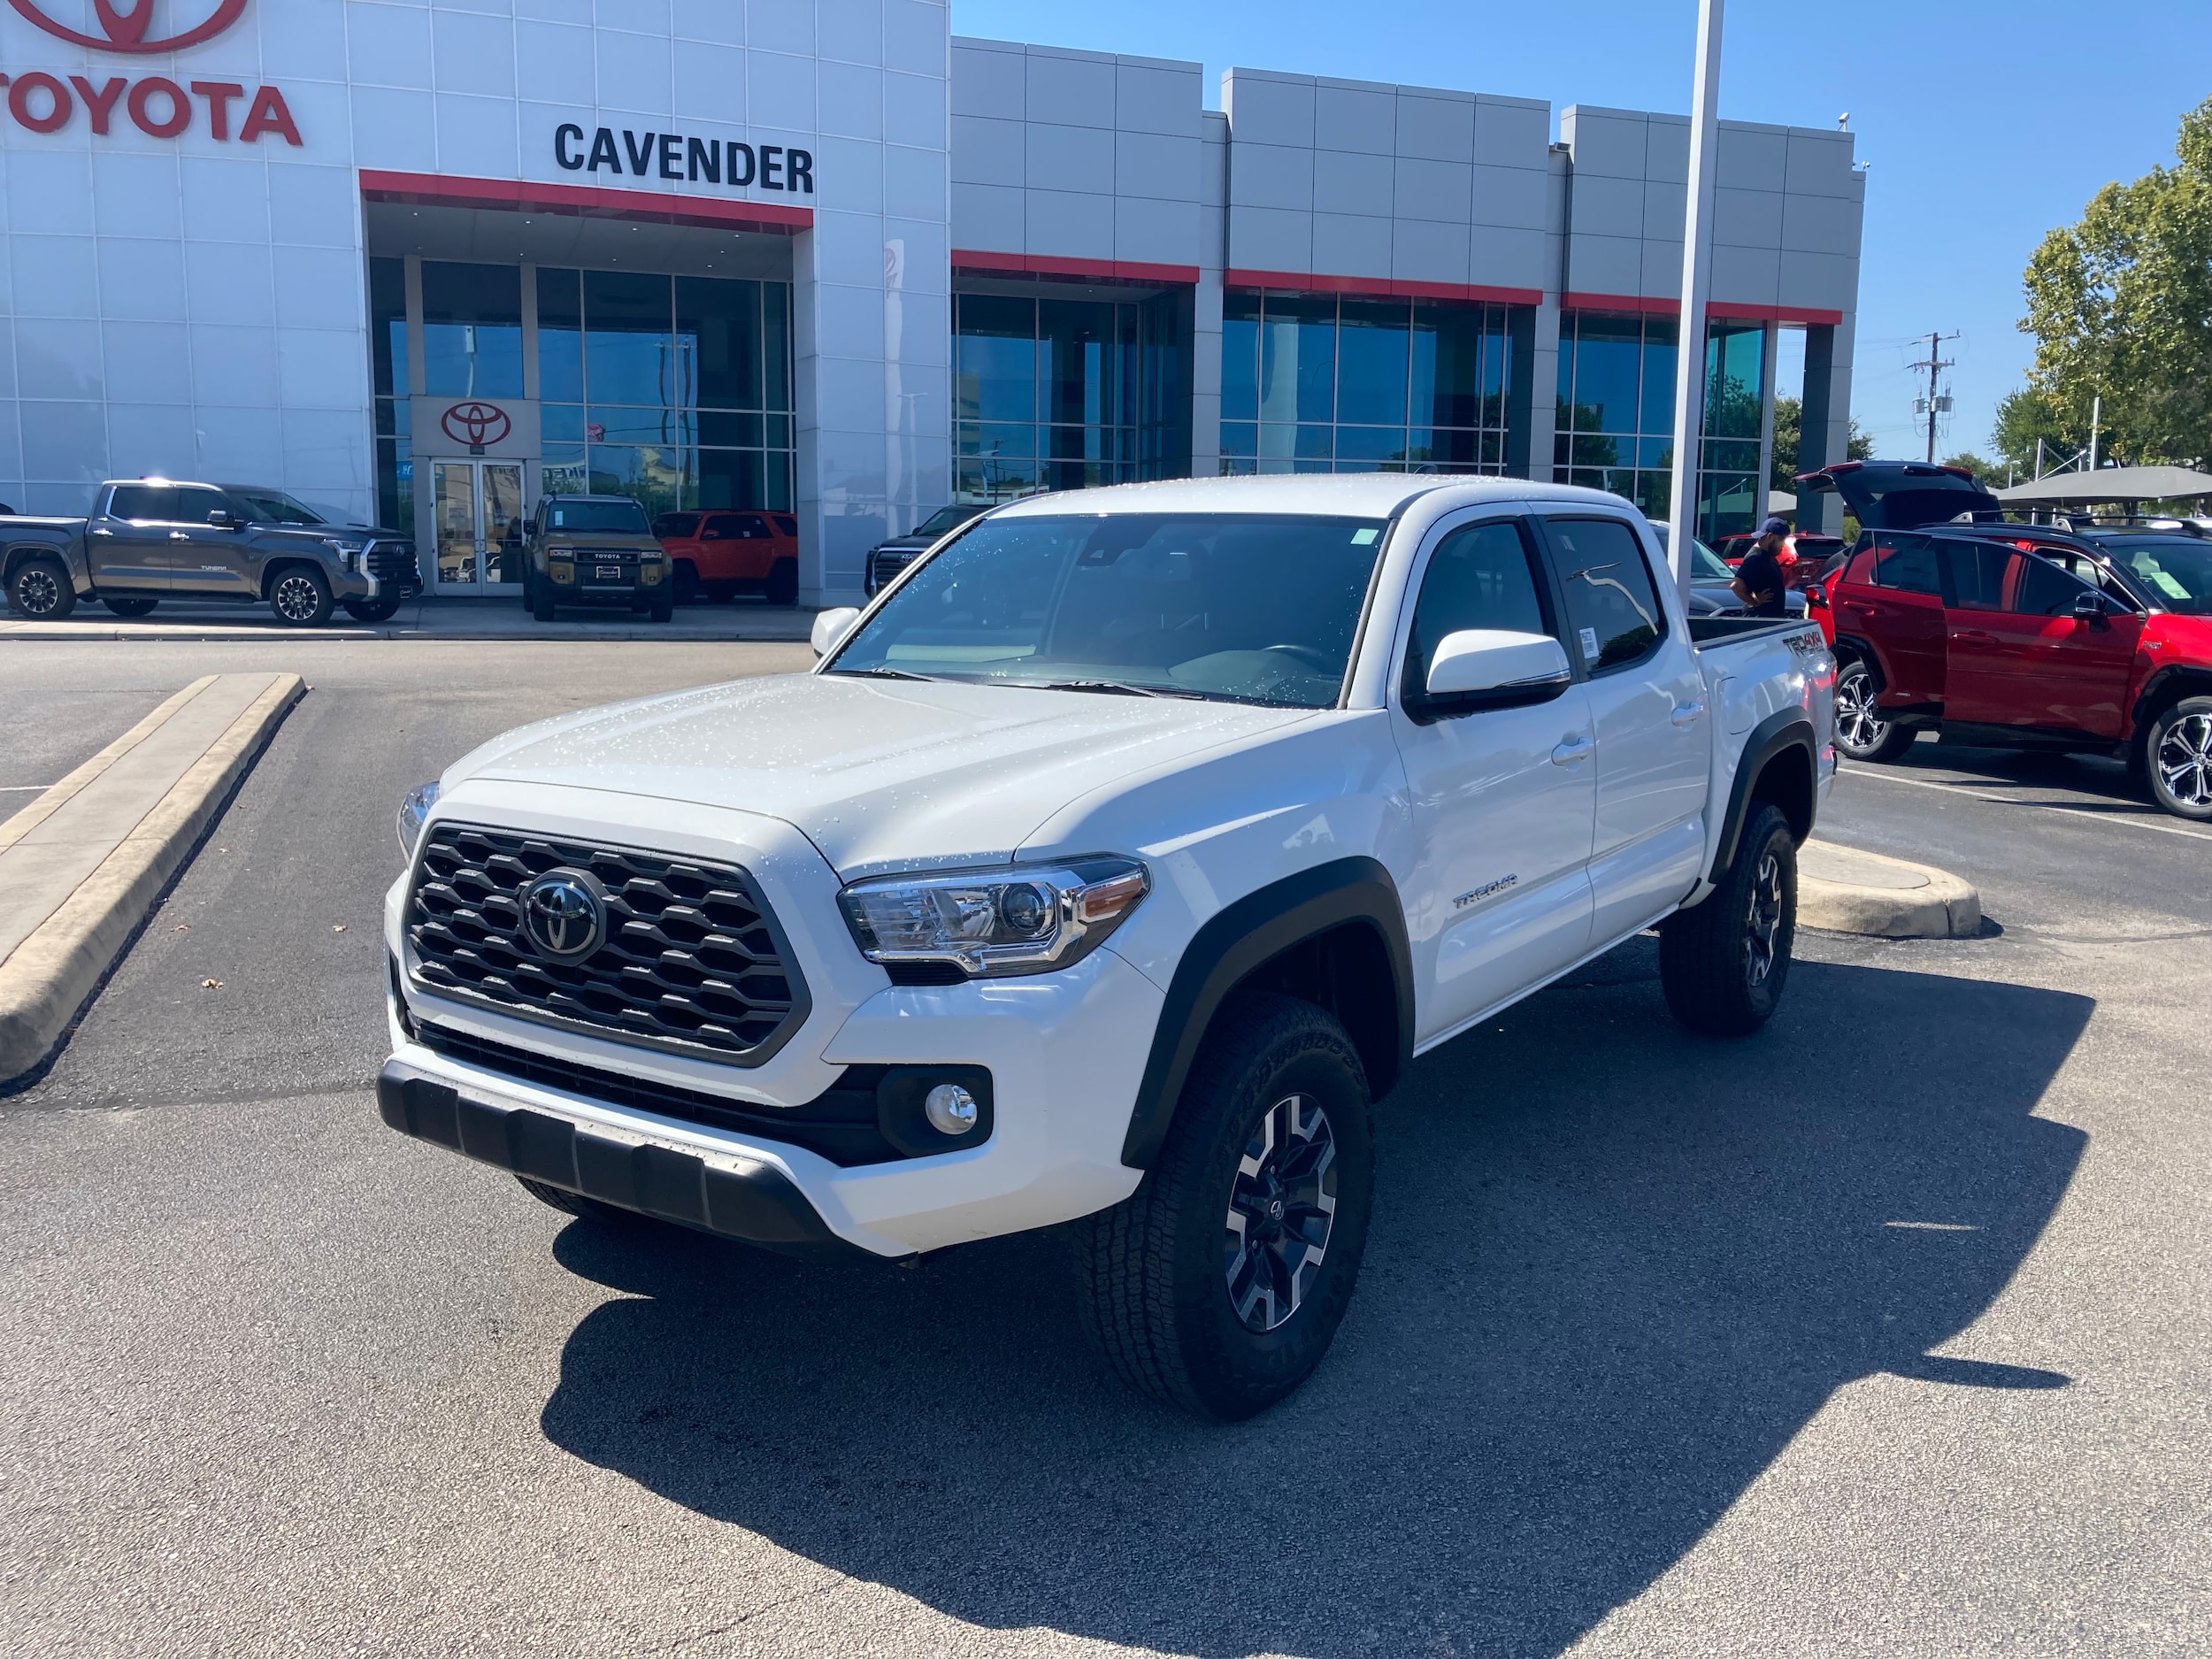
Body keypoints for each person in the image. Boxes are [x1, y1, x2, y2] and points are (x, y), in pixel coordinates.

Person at [1732, 517, 1792, 617]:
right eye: (1781, 539)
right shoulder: (1755, 558)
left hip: (1771, 620)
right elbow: (1736, 585)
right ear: (1770, 536)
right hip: (1759, 621)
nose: (1783, 543)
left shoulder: (1767, 555)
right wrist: (1755, 601)